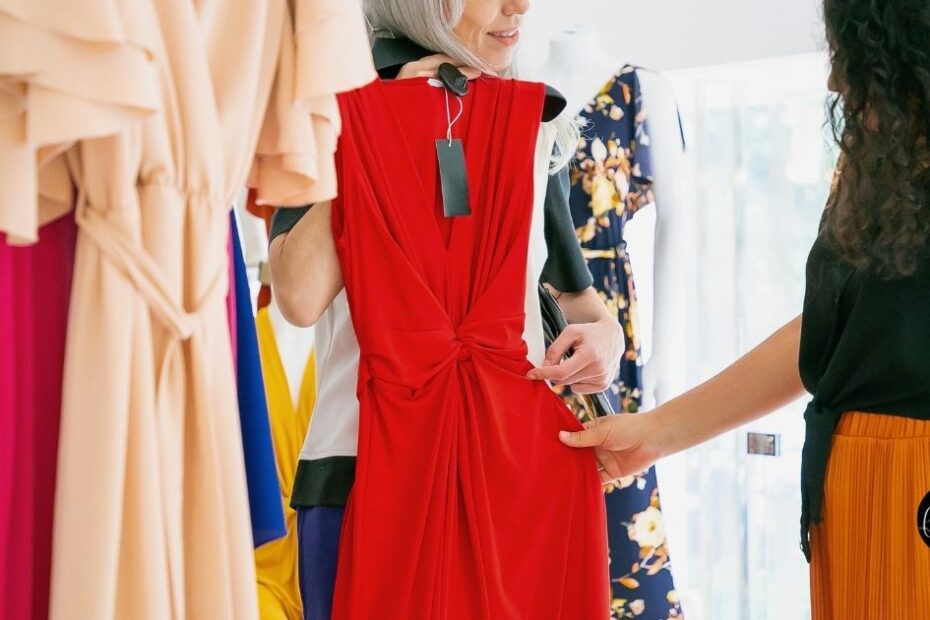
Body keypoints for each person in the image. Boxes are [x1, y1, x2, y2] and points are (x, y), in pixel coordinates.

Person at [560, 0, 930, 617]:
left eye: (853, 57)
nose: (837, 80)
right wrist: (652, 434)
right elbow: (826, 338)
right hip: (847, 482)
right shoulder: (877, 162)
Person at [270, 1, 624, 617]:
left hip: (508, 469)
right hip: (360, 470)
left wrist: (606, 341)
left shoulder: (529, 121)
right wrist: (379, 128)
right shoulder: (331, 110)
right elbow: (298, 299)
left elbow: (585, 307)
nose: (518, 7)